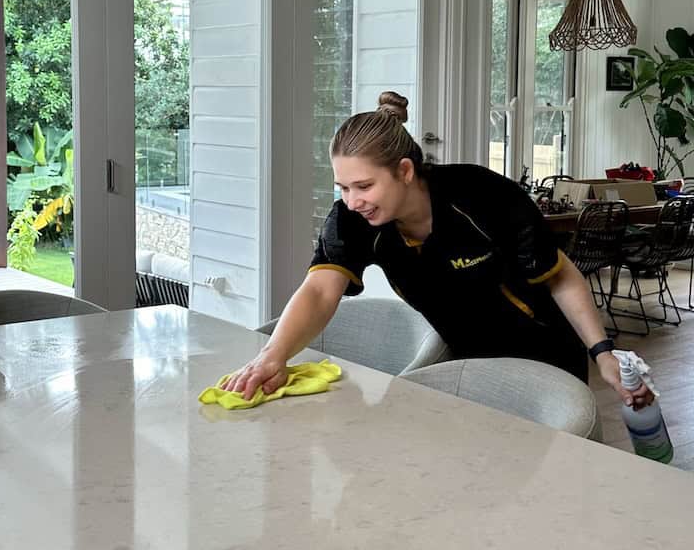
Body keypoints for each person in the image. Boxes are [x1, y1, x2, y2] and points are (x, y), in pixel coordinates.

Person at [222, 91, 650, 409]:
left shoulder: (481, 196)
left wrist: (602, 352)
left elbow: (561, 276)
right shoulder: (353, 220)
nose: (353, 200)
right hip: (464, 362)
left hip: (544, 360)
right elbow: (319, 291)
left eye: (365, 186)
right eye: (344, 187)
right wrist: (271, 357)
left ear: (405, 171)